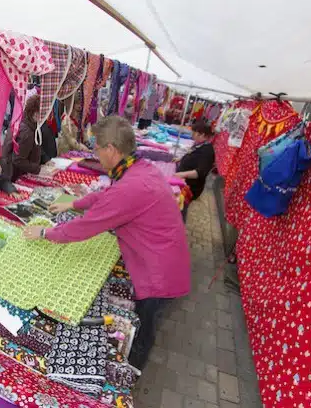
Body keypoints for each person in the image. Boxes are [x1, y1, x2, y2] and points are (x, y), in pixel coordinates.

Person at [23, 116, 190, 371]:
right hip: (163, 258)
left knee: (141, 332)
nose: (96, 153)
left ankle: (130, 374)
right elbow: (108, 195)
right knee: (143, 323)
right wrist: (74, 203)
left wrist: (45, 234)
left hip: (158, 273)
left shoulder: (131, 184)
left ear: (111, 148)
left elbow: (84, 228)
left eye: (97, 148)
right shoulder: (138, 168)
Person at [174, 119, 216, 221]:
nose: (192, 134)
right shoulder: (199, 144)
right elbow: (191, 153)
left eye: (194, 132)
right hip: (185, 182)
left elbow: (199, 172)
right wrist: (180, 159)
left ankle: (179, 226)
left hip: (190, 187)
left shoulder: (207, 152)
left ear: (202, 135)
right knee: (179, 205)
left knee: (182, 207)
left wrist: (182, 174)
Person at [12, 95, 42, 180]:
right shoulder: (27, 132)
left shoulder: (28, 122)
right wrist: (37, 168)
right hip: (20, 176)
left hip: (25, 172)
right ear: (36, 113)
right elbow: (18, 160)